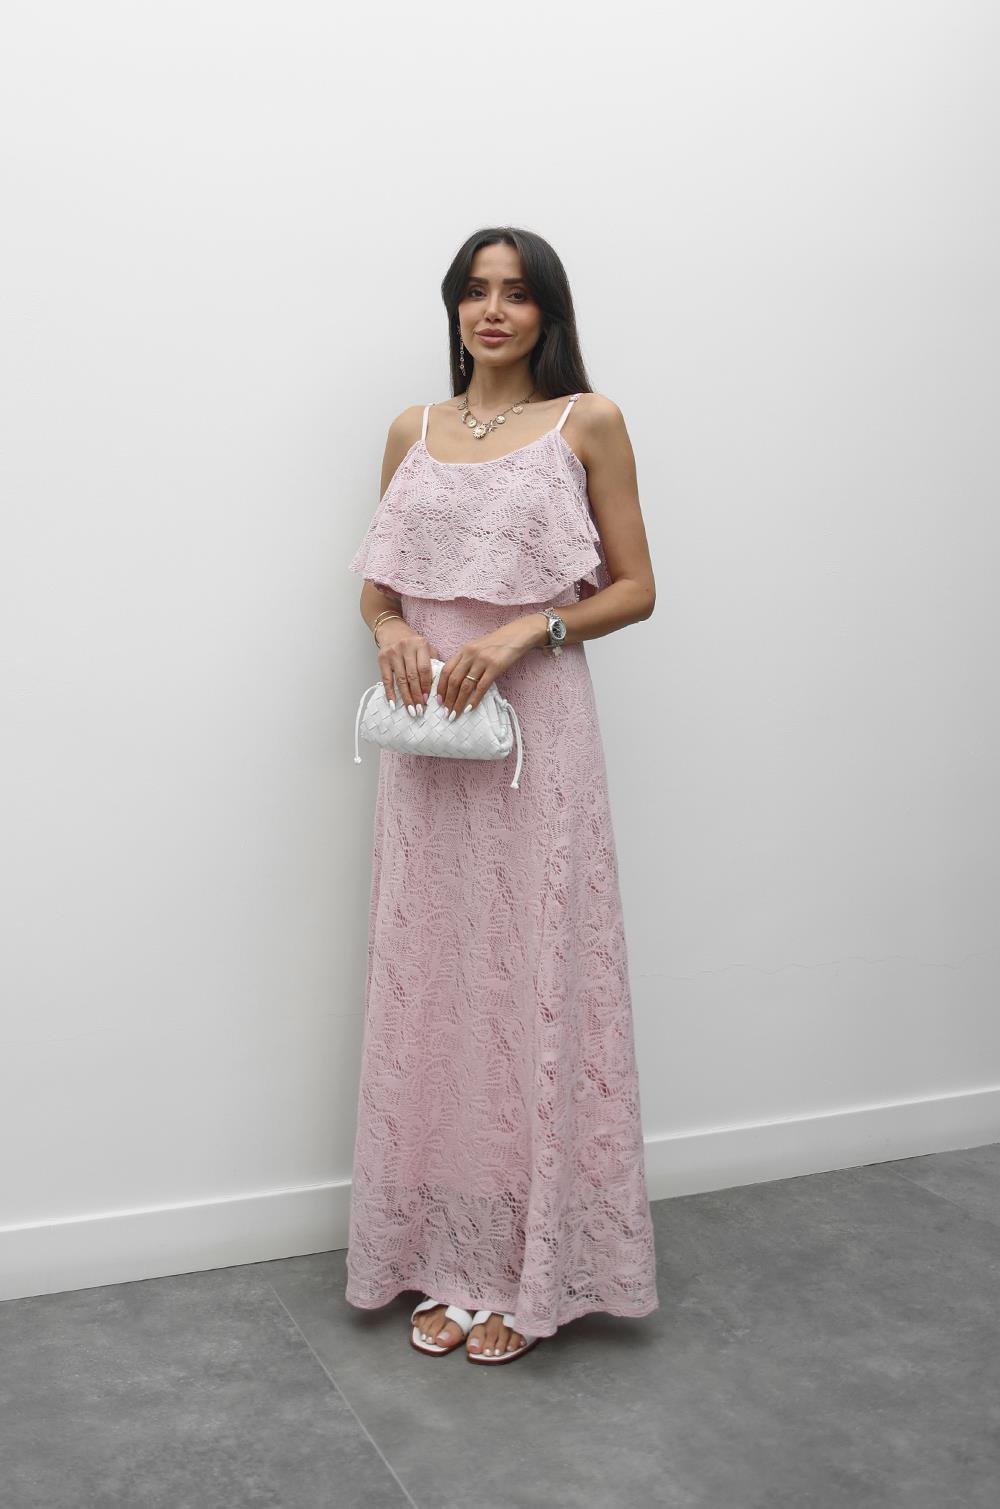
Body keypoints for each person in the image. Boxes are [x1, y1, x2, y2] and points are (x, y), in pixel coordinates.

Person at [345, 226, 659, 1365]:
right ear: (454, 308)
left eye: (516, 294)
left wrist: (531, 628)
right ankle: (445, 1258)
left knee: (533, 976)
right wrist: (389, 628)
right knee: (435, 984)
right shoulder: (411, 431)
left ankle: (528, 1268)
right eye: (475, 292)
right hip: (431, 741)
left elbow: (636, 588)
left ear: (546, 314)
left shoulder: (588, 422)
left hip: (538, 743)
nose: (492, 311)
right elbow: (379, 588)